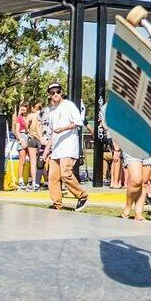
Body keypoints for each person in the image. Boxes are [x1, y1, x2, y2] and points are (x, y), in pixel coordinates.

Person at [43, 82, 88, 211]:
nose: (55, 94)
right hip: (56, 149)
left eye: (57, 92)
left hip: (68, 147)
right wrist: (47, 150)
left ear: (61, 92)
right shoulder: (51, 111)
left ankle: (82, 196)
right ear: (49, 95)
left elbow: (78, 123)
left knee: (65, 174)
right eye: (52, 93)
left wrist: (63, 128)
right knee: (53, 177)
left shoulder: (69, 106)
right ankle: (57, 204)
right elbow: (53, 132)